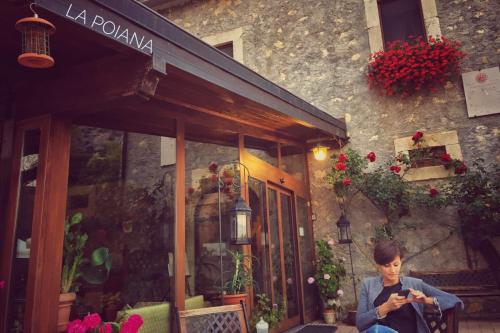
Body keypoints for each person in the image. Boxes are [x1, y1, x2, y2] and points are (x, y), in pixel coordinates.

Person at [356, 240, 463, 333]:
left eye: (396, 264)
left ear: (401, 263)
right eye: (386, 266)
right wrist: (385, 308)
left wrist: (426, 300)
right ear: (378, 266)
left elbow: (455, 301)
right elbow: (360, 324)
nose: (393, 270)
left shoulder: (414, 284)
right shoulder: (368, 285)